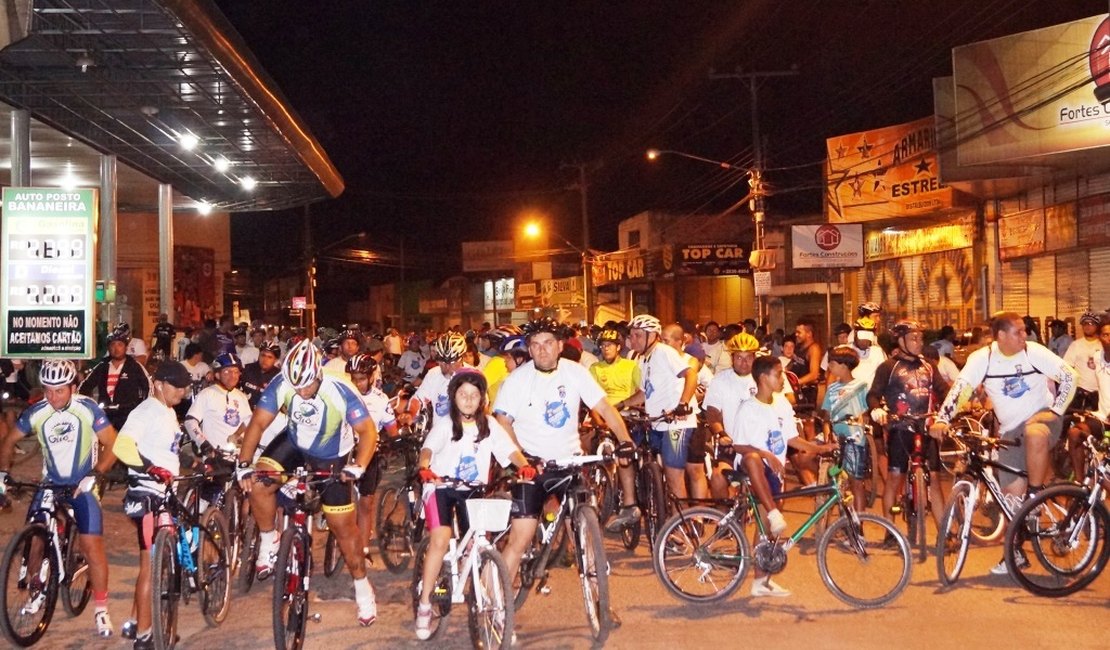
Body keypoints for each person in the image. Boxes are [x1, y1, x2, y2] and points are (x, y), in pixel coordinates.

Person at [236, 339, 380, 625]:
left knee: (344, 533)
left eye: (306, 386)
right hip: (295, 445)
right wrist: (243, 464)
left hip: (332, 457)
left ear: (318, 375)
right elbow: (258, 423)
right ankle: (269, 539)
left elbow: (368, 433)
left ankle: (363, 589)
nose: (300, 393)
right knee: (259, 483)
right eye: (295, 387)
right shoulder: (283, 382)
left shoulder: (340, 389)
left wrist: (358, 466)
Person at [929, 311, 1078, 575]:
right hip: (1010, 433)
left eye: (1024, 331)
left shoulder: (1034, 352)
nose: (1025, 336)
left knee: (1034, 434)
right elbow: (961, 389)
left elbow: (1069, 376)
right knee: (1010, 501)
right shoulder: (983, 359)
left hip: (1044, 422)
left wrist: (1055, 410)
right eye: (1018, 332)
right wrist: (942, 419)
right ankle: (1015, 554)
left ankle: (1035, 497)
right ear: (1000, 336)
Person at [492, 318, 635, 586]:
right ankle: (496, 608)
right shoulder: (516, 380)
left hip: (569, 463)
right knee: (520, 539)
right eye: (535, 345)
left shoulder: (575, 372)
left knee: (584, 529)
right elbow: (502, 422)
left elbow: (605, 408)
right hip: (531, 466)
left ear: (560, 346)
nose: (541, 350)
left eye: (548, 343)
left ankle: (599, 599)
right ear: (529, 349)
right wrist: (522, 457)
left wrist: (624, 440)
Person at [0, 360, 119, 639]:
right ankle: (36, 588)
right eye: (48, 390)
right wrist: (2, 475)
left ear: (73, 387)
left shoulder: (87, 409)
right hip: (50, 482)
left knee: (91, 545)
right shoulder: (37, 412)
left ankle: (101, 607)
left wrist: (97, 473)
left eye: (60, 390)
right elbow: (8, 442)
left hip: (82, 483)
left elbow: (114, 443)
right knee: (35, 537)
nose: (53, 397)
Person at [413, 370, 532, 640]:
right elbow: (428, 450)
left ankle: (498, 612)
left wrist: (524, 466)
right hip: (440, 488)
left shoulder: (489, 425)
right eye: (463, 395)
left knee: (481, 546)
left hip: (472, 491)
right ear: (453, 397)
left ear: (482, 399)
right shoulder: (445, 425)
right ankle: (424, 604)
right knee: (440, 539)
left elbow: (509, 450)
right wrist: (424, 468)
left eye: (474, 395)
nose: (468, 400)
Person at [733, 355, 836, 597]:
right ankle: (771, 510)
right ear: (762, 378)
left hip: (775, 469)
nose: (782, 379)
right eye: (778, 374)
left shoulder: (781, 404)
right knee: (754, 460)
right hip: (753, 466)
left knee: (767, 529)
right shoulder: (748, 407)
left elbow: (792, 439)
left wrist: (820, 448)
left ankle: (761, 581)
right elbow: (739, 446)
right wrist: (766, 454)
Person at [112, 361, 193, 649]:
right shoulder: (146, 411)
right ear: (158, 384)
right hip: (148, 497)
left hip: (163, 495)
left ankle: (136, 621)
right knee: (150, 566)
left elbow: (165, 449)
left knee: (150, 563)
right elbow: (121, 446)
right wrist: (150, 468)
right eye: (177, 386)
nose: (182, 392)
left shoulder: (168, 411)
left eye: (185, 386)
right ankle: (145, 635)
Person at [868, 319, 949, 536]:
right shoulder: (888, 367)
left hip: (926, 426)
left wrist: (956, 406)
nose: (919, 342)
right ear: (900, 340)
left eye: (921, 338)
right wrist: (877, 410)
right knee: (895, 478)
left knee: (934, 479)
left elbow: (944, 391)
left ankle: (945, 534)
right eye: (914, 338)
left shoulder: (929, 367)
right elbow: (873, 394)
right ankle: (890, 529)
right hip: (900, 428)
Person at [624, 314, 703, 501]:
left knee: (674, 477)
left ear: (652, 336)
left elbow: (691, 375)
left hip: (676, 424)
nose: (632, 340)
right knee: (663, 474)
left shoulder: (663, 352)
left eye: (638, 335)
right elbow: (644, 393)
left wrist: (682, 404)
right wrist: (619, 404)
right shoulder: (643, 359)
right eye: (631, 335)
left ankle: (683, 525)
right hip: (658, 423)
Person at [345, 353, 399, 557]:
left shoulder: (380, 399)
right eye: (353, 378)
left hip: (369, 454)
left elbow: (391, 428)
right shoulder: (343, 394)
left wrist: (393, 440)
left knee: (365, 503)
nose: (356, 383)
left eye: (360, 378)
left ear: (370, 377)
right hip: (344, 451)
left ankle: (364, 548)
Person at [702, 333, 760, 498]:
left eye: (748, 357)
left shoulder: (762, 377)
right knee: (717, 478)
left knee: (760, 484)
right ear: (732, 358)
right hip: (731, 443)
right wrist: (721, 433)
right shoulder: (720, 379)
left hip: (757, 444)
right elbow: (712, 412)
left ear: (755, 357)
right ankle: (725, 519)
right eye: (739, 358)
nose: (744, 362)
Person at [820, 346, 870, 507]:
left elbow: (866, 412)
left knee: (856, 482)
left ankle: (858, 525)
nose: (829, 367)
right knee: (837, 478)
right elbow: (827, 416)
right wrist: (828, 433)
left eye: (832, 364)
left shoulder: (861, 386)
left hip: (855, 439)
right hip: (836, 438)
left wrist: (864, 423)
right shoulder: (832, 389)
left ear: (844, 366)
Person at [79, 323, 151, 432]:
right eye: (113, 345)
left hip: (128, 415)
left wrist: (141, 409)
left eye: (120, 345)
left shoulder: (134, 366)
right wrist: (85, 406)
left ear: (125, 347)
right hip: (105, 415)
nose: (116, 348)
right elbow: (85, 386)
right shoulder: (102, 366)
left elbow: (148, 387)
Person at [1063, 310, 1103, 411]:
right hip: (1080, 393)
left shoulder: (1103, 345)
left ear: (1097, 326)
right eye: (1085, 323)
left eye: (1091, 323)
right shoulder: (1075, 345)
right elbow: (1067, 368)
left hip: (1101, 393)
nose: (1087, 326)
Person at [791, 319, 824, 410]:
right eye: (796, 332)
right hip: (796, 389)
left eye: (799, 332)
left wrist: (795, 384)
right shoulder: (799, 346)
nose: (796, 334)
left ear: (809, 334)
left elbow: (814, 374)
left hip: (807, 391)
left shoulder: (814, 349)